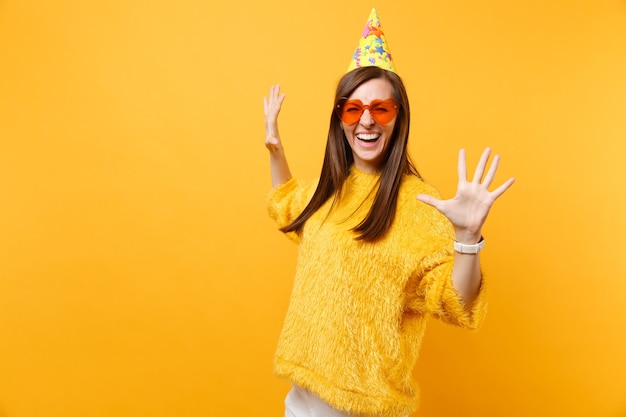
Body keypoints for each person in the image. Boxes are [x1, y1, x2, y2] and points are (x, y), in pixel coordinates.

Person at [263, 8, 515, 417]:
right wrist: (276, 150)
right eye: (353, 109)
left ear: (398, 118)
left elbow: (458, 302)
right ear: (340, 119)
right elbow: (288, 207)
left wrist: (468, 239)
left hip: (361, 408)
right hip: (300, 398)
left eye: (381, 108)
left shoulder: (419, 204)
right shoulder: (329, 190)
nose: (366, 120)